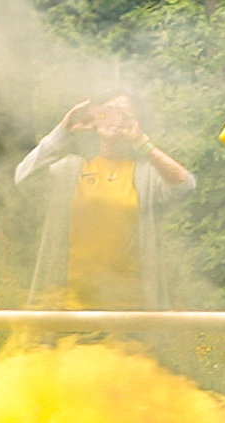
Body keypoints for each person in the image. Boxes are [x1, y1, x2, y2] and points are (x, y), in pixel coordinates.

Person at [12, 95, 194, 309]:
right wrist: (64, 130)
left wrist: (142, 143)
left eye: (124, 114)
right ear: (96, 120)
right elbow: (23, 176)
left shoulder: (146, 176)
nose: (115, 119)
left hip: (131, 308)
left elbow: (185, 185)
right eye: (107, 111)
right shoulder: (71, 169)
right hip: (68, 304)